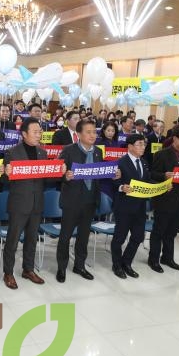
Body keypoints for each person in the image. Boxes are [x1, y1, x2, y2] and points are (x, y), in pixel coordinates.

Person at [57, 119, 119, 282]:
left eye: (94, 132)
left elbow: (100, 173)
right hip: (72, 201)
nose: (93, 135)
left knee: (84, 236)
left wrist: (113, 174)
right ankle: (61, 268)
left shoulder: (98, 151)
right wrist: (66, 176)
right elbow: (59, 173)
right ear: (78, 134)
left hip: (90, 200)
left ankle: (79, 265)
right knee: (65, 236)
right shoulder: (68, 150)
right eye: (88, 132)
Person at [0, 117, 52, 289]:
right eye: (35, 132)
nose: (39, 134)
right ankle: (8, 272)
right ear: (24, 134)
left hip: (37, 203)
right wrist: (5, 173)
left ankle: (28, 269)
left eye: (40, 131)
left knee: (32, 239)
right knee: (13, 240)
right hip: (19, 203)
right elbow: (5, 181)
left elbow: (46, 178)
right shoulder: (12, 152)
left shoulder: (42, 153)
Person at [149, 125, 179, 273]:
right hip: (165, 199)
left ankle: (168, 258)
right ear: (175, 139)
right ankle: (153, 259)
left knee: (172, 232)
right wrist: (163, 176)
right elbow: (152, 174)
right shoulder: (162, 154)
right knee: (159, 231)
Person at [111, 134, 152, 279]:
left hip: (140, 206)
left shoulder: (145, 163)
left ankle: (126, 262)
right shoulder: (120, 162)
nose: (143, 147)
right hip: (124, 206)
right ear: (130, 146)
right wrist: (122, 187)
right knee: (119, 237)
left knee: (137, 237)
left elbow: (148, 181)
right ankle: (116, 265)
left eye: (144, 144)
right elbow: (114, 182)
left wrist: (161, 187)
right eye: (139, 144)